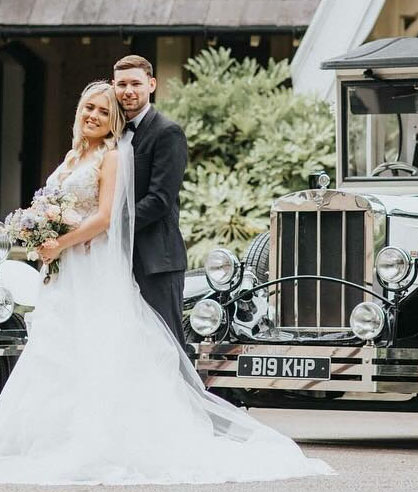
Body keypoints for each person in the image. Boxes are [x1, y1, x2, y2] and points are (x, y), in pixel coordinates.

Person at [0, 81, 333, 484]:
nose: (93, 116)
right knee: (55, 347)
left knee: (95, 349)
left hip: (87, 268)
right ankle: (46, 436)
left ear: (114, 122)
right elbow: (55, 207)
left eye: (104, 113)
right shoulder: (73, 156)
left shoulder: (112, 157)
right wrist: (38, 235)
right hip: (63, 272)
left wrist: (61, 242)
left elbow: (106, 217)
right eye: (89, 107)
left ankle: (96, 438)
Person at [113, 55, 187, 346]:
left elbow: (159, 200)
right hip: (117, 261)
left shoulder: (167, 132)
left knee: (166, 343)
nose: (128, 91)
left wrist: (110, 228)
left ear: (151, 84)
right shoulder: (111, 133)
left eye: (135, 83)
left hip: (157, 259)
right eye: (121, 84)